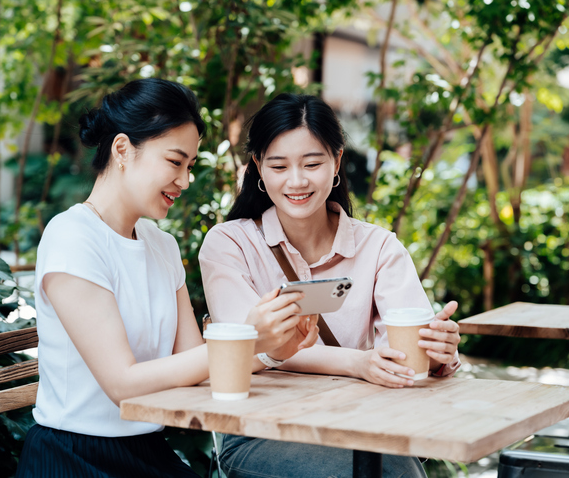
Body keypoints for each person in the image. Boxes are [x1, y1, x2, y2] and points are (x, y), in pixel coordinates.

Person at [15, 79, 318, 478]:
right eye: (175, 162)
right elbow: (121, 384)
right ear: (122, 149)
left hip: (147, 454)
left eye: (190, 166)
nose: (186, 180)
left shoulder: (161, 245)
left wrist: (273, 347)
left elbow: (196, 369)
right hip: (73, 456)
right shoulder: (72, 237)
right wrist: (246, 336)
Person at [198, 93, 462, 478]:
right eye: (278, 165)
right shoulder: (230, 244)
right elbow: (249, 345)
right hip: (259, 432)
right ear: (258, 167)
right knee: (392, 472)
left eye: (312, 163)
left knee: (390, 466)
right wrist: (358, 363)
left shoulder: (379, 247)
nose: (297, 180)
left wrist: (436, 354)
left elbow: (402, 355)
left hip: (362, 425)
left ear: (337, 161)